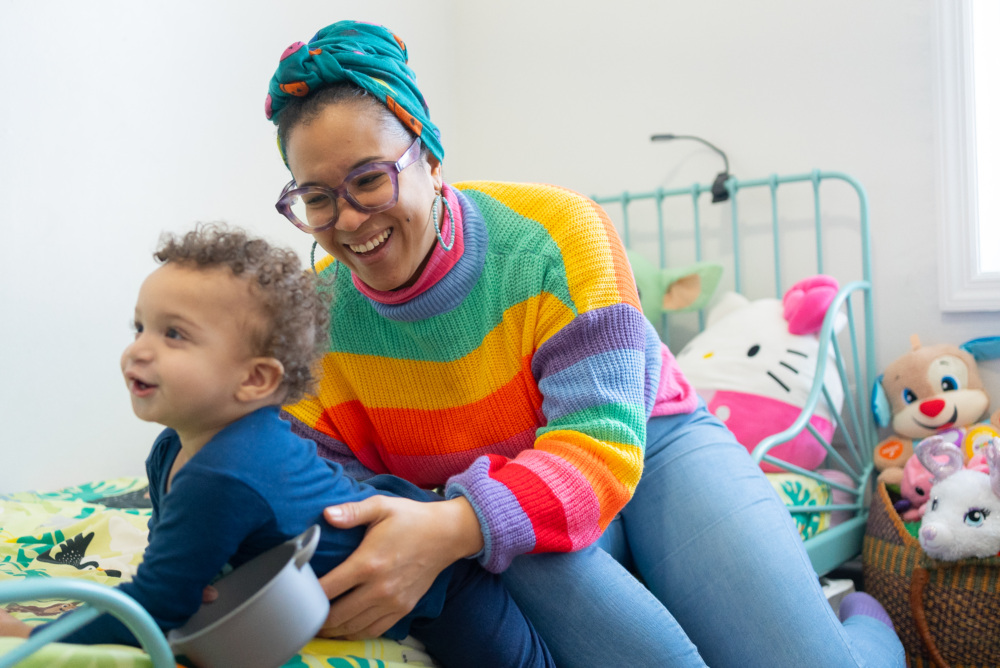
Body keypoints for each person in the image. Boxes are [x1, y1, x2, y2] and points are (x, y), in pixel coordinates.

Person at [263, 21, 906, 667]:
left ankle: (867, 624)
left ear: (429, 157)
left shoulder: (557, 232)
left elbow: (600, 444)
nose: (346, 219)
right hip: (492, 503)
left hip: (647, 449)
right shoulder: (317, 318)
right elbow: (309, 474)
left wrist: (451, 525)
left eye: (370, 179)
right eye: (317, 198)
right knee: (504, 540)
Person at [0, 225, 553, 668]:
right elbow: (172, 567)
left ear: (256, 380)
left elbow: (155, 607)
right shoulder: (172, 449)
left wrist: (34, 631)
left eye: (174, 335)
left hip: (447, 587)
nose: (138, 352)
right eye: (139, 327)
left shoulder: (224, 475)